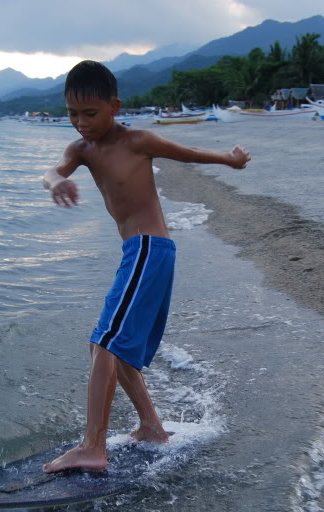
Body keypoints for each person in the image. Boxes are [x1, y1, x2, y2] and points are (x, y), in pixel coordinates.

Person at [41, 60, 250, 473]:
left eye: (90, 113)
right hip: (137, 253)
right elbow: (51, 171)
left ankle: (92, 446)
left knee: (105, 342)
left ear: (114, 106)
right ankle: (152, 427)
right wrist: (56, 183)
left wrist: (229, 158)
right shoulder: (80, 151)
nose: (80, 123)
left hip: (149, 249)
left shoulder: (137, 140)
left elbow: (188, 153)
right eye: (72, 114)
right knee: (111, 347)